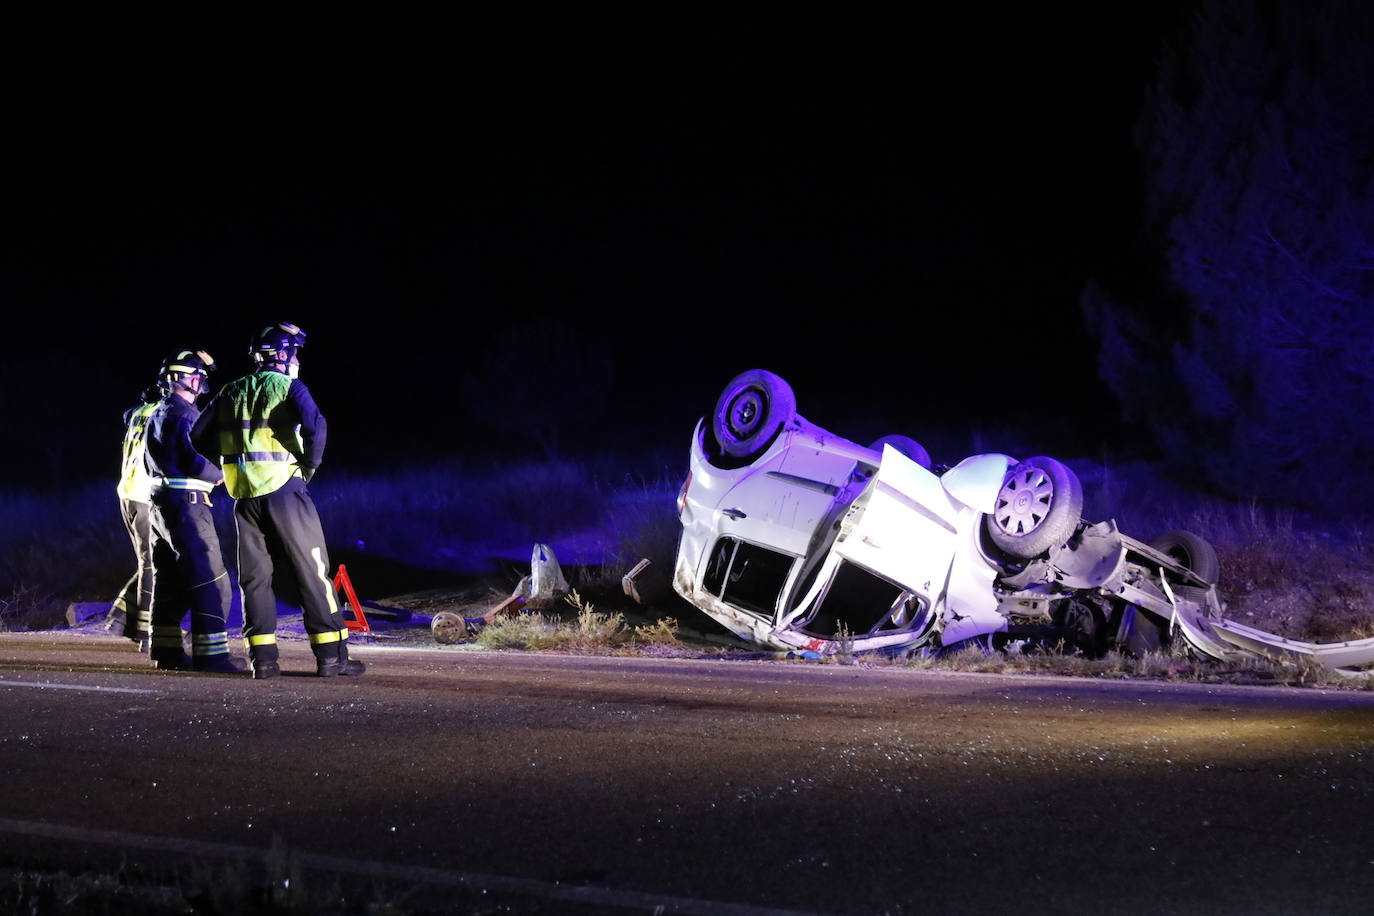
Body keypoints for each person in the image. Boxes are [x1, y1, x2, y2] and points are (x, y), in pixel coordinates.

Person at [192, 322, 362, 679]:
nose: (298, 357)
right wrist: (308, 465)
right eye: (295, 351)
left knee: (254, 580)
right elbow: (317, 426)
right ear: (283, 354)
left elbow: (197, 435)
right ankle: (332, 657)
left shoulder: (229, 391)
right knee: (312, 571)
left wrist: (229, 460)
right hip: (286, 490)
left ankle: (263, 661)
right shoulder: (289, 386)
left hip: (244, 499)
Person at [144, 350, 247, 674]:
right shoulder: (184, 414)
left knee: (170, 581)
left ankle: (167, 650)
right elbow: (191, 458)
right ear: (177, 378)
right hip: (187, 506)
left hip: (161, 507)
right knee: (211, 580)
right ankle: (212, 656)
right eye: (194, 375)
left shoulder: (159, 411)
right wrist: (221, 475)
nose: (199, 380)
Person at [106, 381, 161, 649]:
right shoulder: (160, 412)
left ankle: (120, 617)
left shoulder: (139, 412)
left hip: (128, 493)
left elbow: (126, 414)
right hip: (143, 495)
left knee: (148, 562)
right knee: (152, 563)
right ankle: (146, 632)